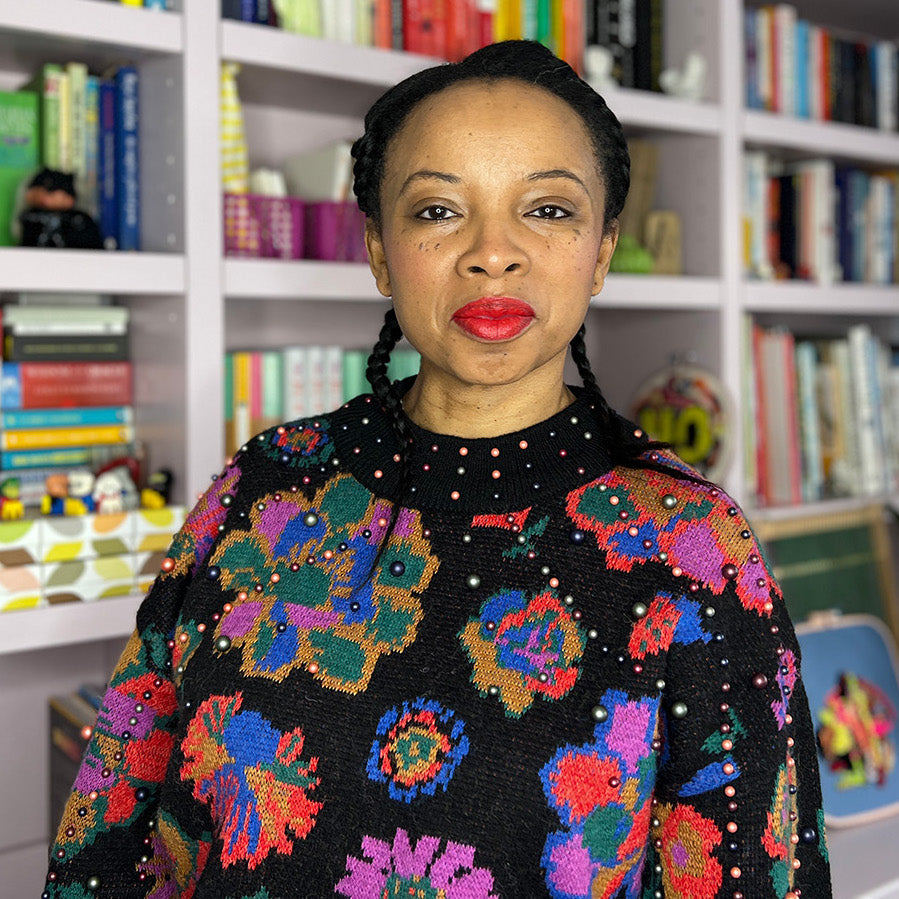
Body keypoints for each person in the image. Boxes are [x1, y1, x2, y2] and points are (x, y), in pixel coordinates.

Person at [44, 40, 832, 898]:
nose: (493, 252)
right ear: (379, 250)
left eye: (548, 210)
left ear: (601, 251)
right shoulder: (263, 488)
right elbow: (107, 832)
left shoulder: (691, 549)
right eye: (436, 212)